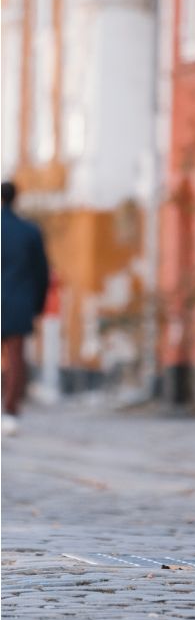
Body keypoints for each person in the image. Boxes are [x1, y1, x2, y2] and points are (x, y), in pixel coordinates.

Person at [1, 181, 49, 435]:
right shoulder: (30, 231)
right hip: (19, 302)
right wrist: (37, 304)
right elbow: (42, 273)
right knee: (16, 359)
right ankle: (10, 412)